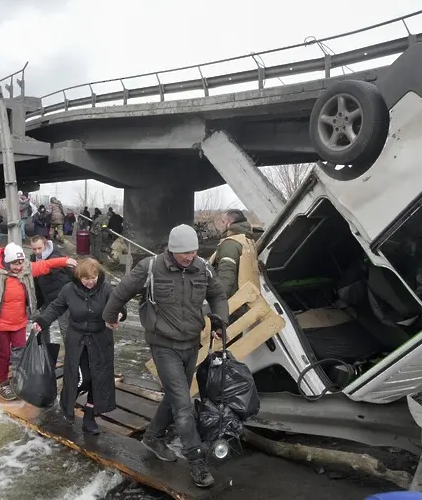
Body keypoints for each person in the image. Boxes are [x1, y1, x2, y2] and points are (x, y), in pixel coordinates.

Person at [102, 224, 229, 489]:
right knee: (184, 404)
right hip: (163, 345)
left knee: (175, 395)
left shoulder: (202, 267)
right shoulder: (150, 267)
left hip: (191, 343)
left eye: (193, 251)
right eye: (184, 253)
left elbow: (217, 294)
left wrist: (219, 322)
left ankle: (153, 437)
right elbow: (122, 291)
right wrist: (110, 316)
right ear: (172, 249)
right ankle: (196, 461)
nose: (189, 257)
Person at [33, 258, 126, 434]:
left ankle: (89, 416)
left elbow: (118, 306)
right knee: (82, 377)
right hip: (77, 340)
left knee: (98, 380)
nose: (91, 282)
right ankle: (67, 404)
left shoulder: (106, 289)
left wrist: (119, 315)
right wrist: (42, 321)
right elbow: (55, 307)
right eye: (86, 279)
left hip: (101, 340)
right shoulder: (69, 289)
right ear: (79, 277)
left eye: (94, 277)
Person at [0, 242, 77, 400]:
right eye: (15, 263)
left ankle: (18, 380)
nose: (19, 266)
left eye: (21, 262)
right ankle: (3, 383)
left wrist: (64, 261)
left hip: (19, 322)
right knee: (4, 355)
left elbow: (44, 265)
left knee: (20, 353)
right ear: (7, 262)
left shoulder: (26, 270)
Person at [210, 209, 262, 322]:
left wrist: (217, 306)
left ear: (229, 223)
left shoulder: (230, 244)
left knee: (224, 337)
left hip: (232, 304)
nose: (221, 225)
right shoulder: (247, 240)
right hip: (245, 300)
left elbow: (226, 278)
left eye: (223, 222)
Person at [30, 235, 72, 344]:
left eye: (40, 248)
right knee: (41, 326)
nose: (37, 251)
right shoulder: (33, 259)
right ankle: (44, 353)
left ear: (45, 245)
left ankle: (72, 356)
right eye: (34, 249)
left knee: (65, 329)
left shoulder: (56, 257)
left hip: (62, 300)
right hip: (46, 300)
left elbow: (70, 276)